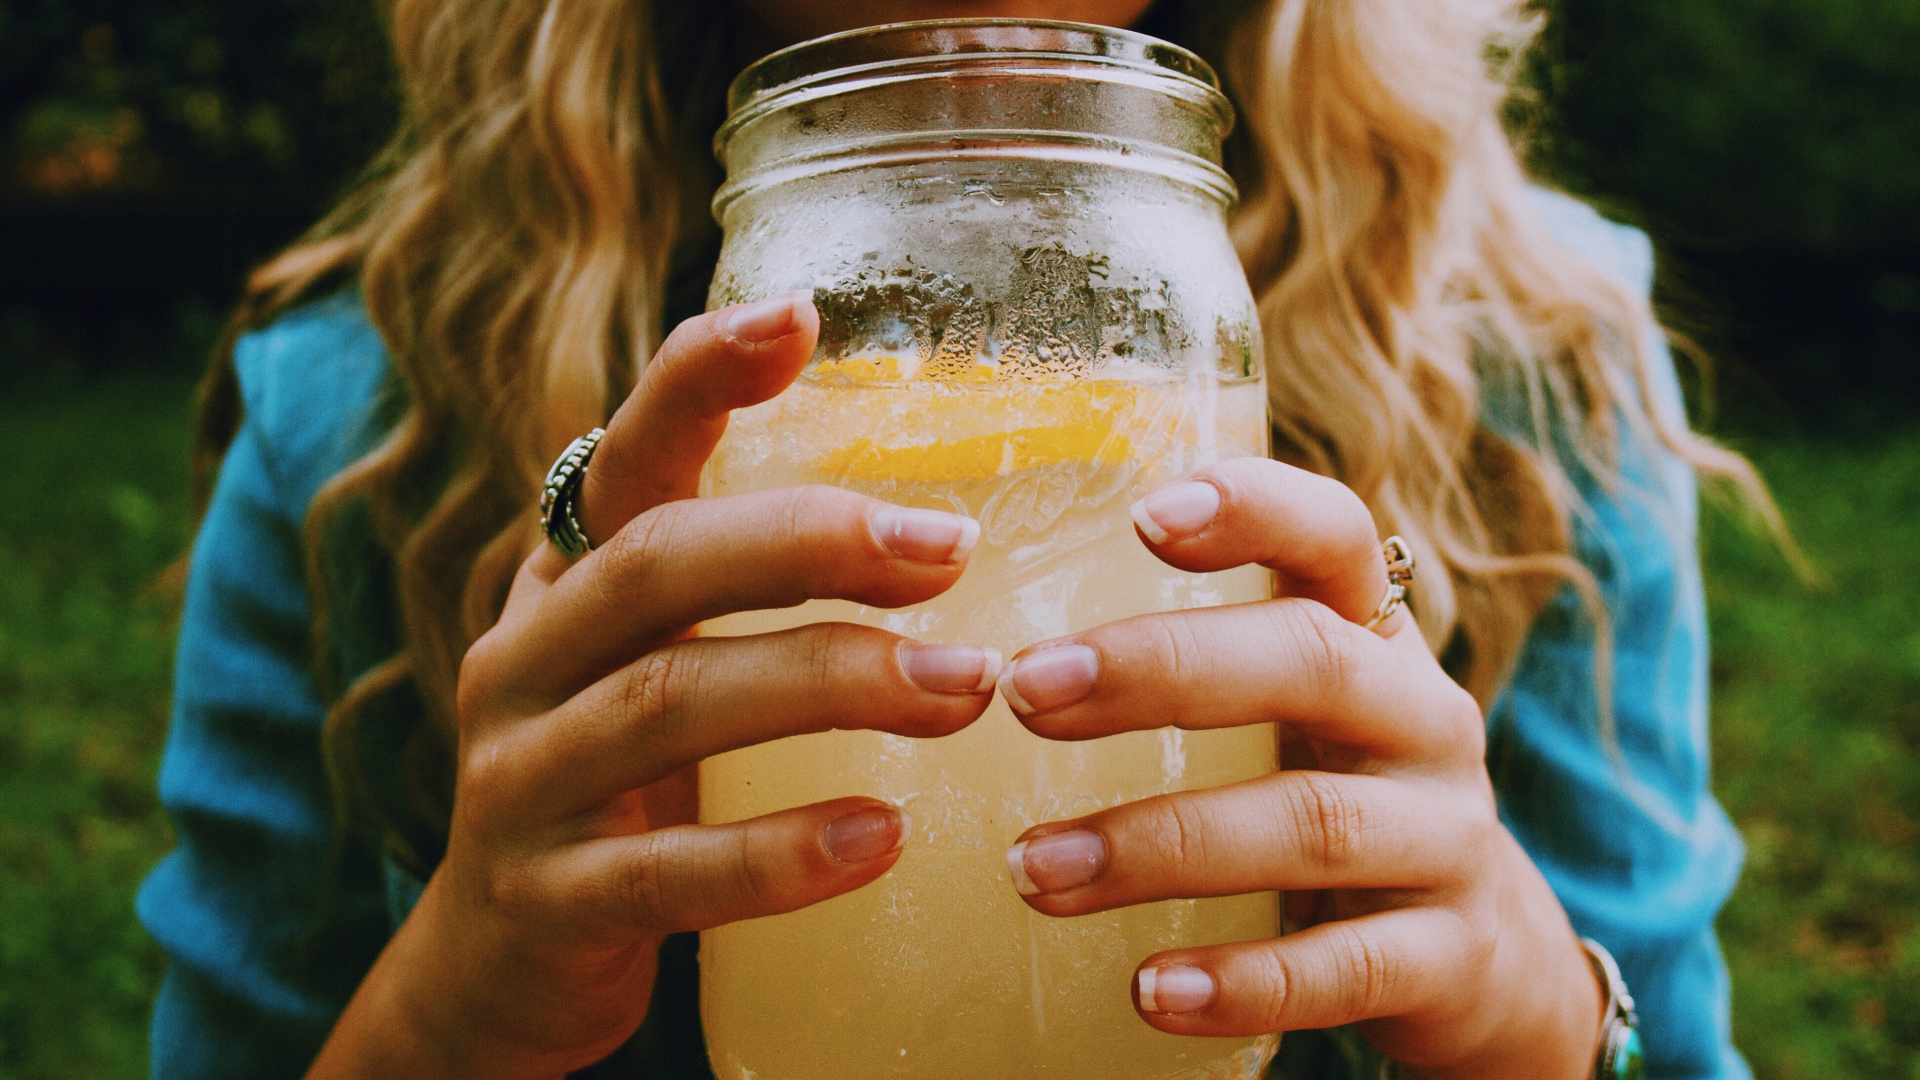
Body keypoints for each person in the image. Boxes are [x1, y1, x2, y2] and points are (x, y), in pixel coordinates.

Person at [136, 1, 1771, 1078]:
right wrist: (449, 1003)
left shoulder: (1534, 359)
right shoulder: (356, 413)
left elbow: (1677, 1043)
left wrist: (1535, 1014)